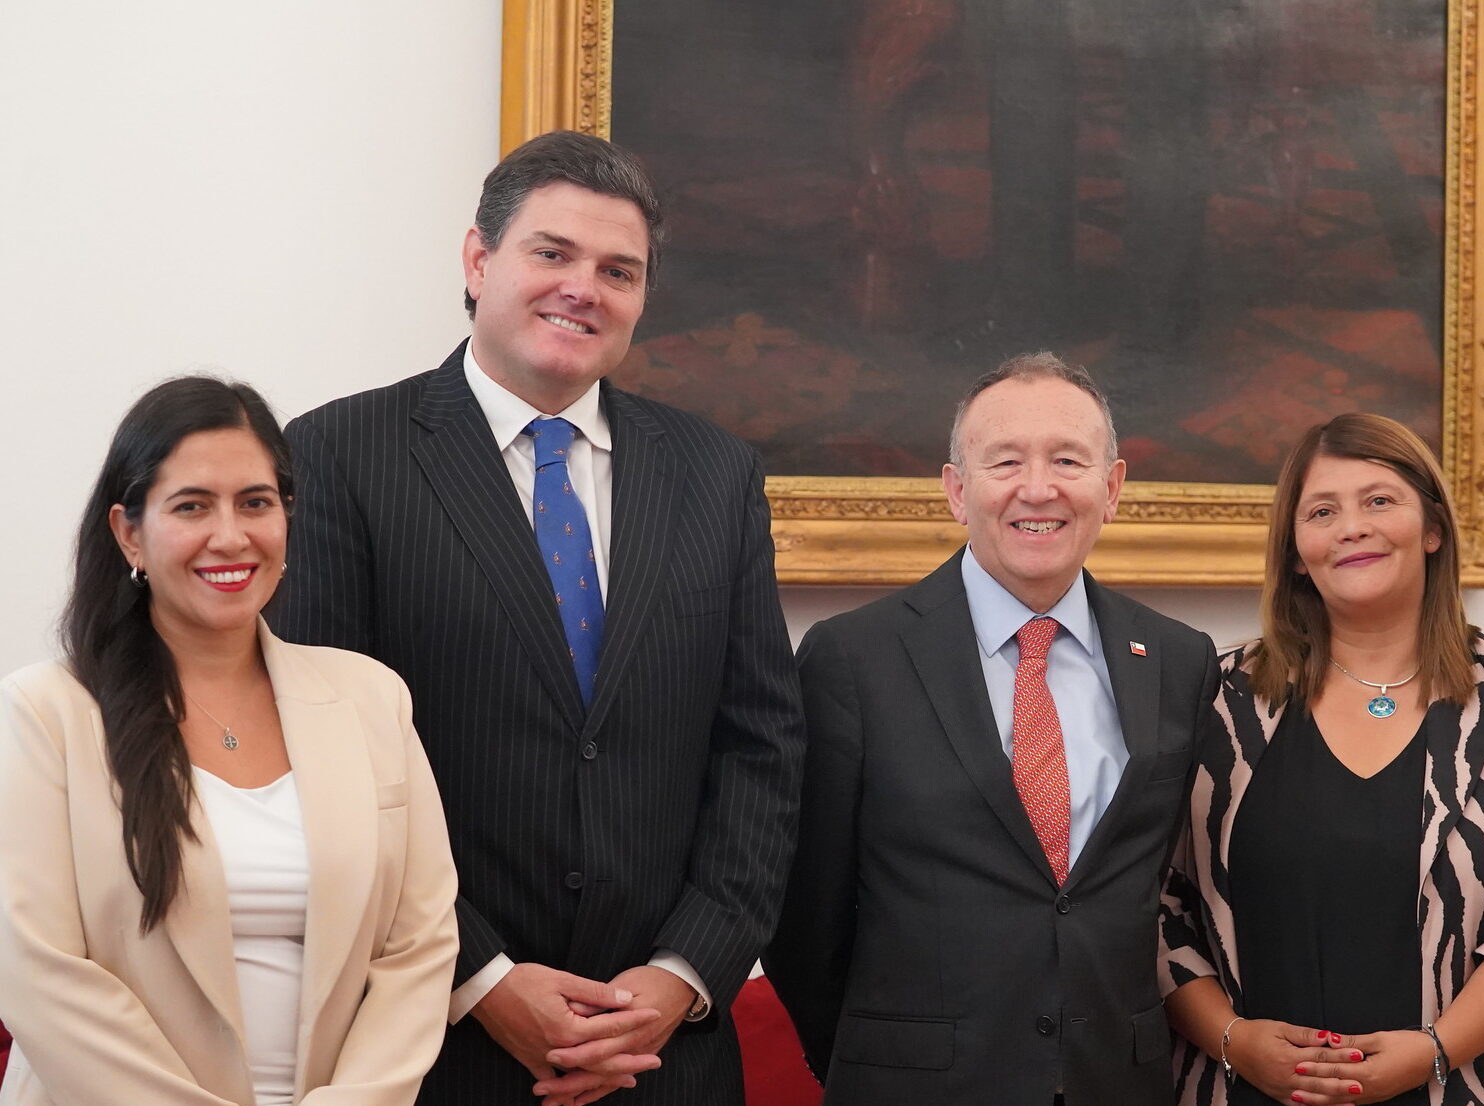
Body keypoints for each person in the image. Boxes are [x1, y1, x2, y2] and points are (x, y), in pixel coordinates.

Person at [269, 131, 806, 1106]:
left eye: (618, 270)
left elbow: (760, 748)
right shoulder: (339, 455)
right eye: (551, 253)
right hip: (435, 1048)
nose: (582, 289)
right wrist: (481, 979)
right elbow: (325, 762)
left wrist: (682, 972)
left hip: (663, 1059)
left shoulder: (715, 473)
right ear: (479, 261)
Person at [764, 353, 1221, 1105]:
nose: (1037, 488)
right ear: (956, 490)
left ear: (1111, 489)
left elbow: (1172, 890)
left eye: (1067, 460)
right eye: (1005, 461)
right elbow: (803, 914)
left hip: (1117, 1081)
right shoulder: (852, 659)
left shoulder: (1178, 659)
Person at [0, 377, 459, 1106]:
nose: (231, 536)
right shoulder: (45, 713)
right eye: (192, 506)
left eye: (256, 502)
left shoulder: (371, 698)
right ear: (129, 532)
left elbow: (419, 949)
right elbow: (37, 971)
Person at [1160, 412, 1484, 1105]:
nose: (1351, 527)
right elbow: (1152, 904)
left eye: (1378, 500)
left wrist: (1433, 1052)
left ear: (1432, 529)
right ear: (1295, 551)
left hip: (1474, 1087)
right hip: (1247, 1091)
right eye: (1321, 511)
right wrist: (1233, 1041)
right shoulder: (1217, 698)